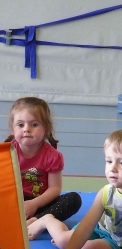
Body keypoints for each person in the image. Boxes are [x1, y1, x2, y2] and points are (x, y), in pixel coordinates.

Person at [38, 129, 122, 249]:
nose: (112, 168)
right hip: (102, 229)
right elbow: (85, 227)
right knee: (63, 240)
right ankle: (47, 220)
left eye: (121, 163)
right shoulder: (106, 193)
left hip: (118, 244)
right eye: (109, 161)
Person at [5, 97, 82, 240]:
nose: (27, 129)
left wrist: (34, 204)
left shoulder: (52, 156)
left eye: (34, 124)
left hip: (41, 203)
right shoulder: (6, 152)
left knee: (74, 199)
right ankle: (17, 218)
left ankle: (37, 221)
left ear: (46, 128)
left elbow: (54, 189)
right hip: (14, 202)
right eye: (20, 125)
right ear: (12, 128)